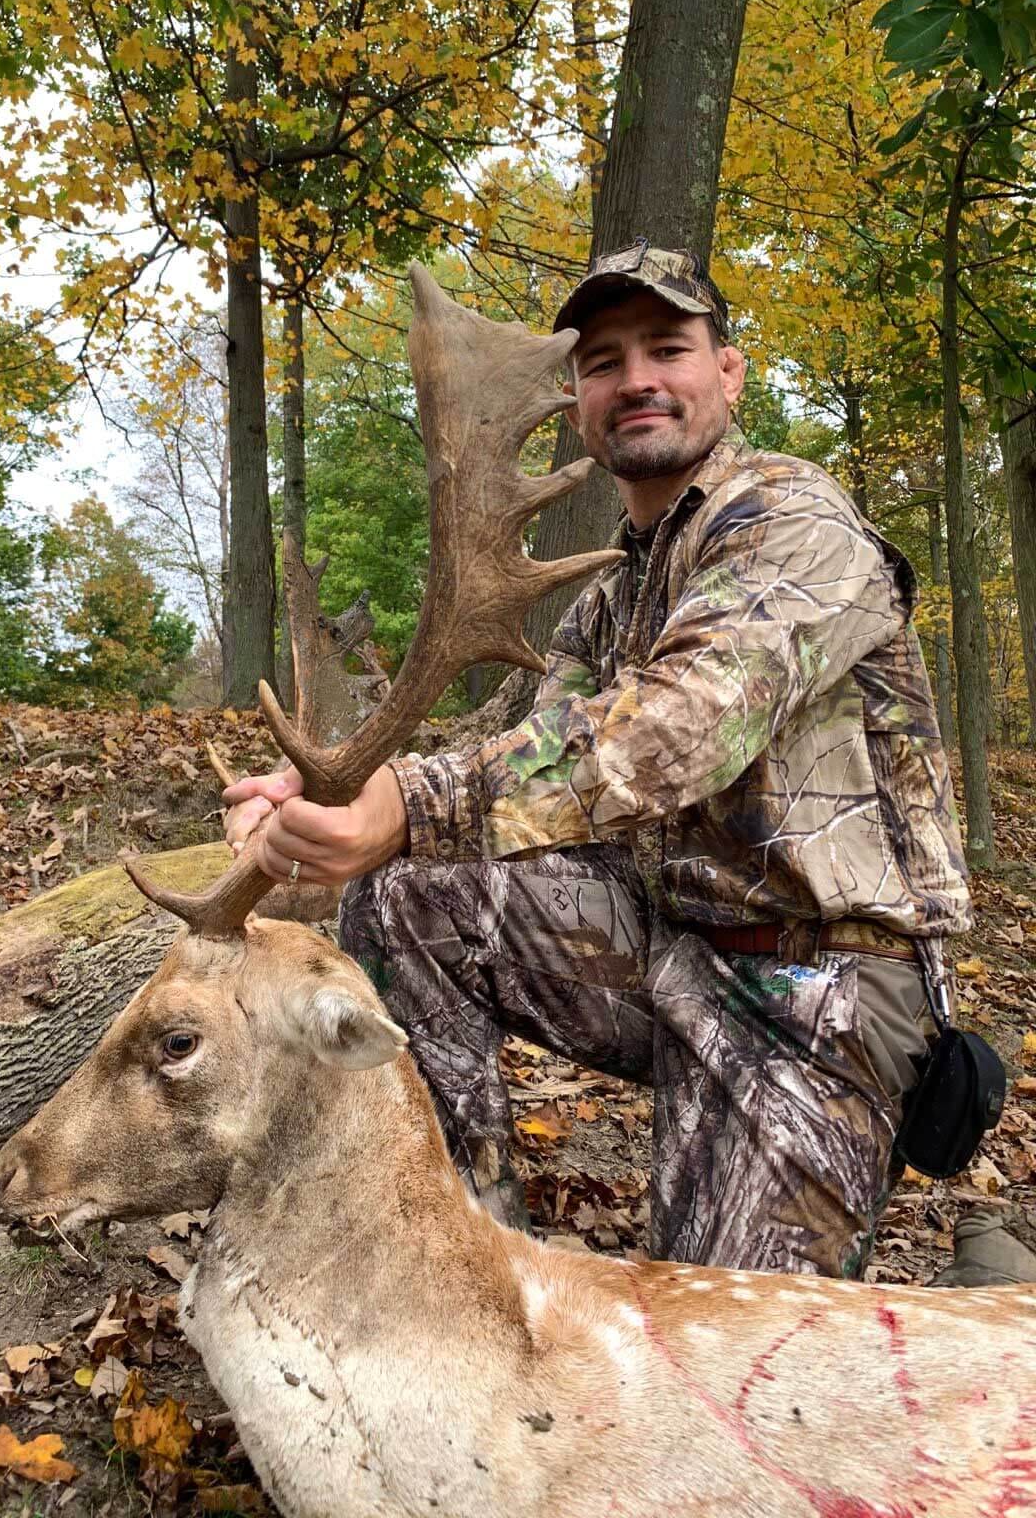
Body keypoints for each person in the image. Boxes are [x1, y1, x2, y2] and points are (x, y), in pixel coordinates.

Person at [225, 240, 980, 1281]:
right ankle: (467, 1271)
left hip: (821, 986)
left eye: (668, 347)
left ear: (729, 372)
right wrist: (322, 794)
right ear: (579, 399)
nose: (636, 380)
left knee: (713, 1368)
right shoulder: (611, 598)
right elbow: (508, 764)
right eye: (603, 361)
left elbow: (682, 729)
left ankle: (991, 1291)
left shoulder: (794, 520)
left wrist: (407, 800)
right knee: (412, 892)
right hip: (668, 947)